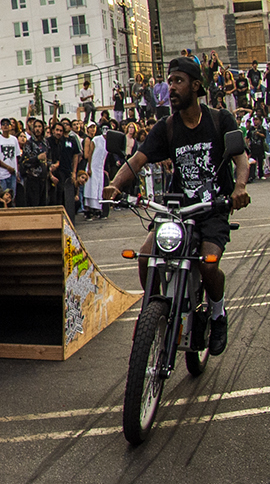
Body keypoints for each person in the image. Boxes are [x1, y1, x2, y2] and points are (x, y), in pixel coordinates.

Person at [103, 57, 248, 355]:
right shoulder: (166, 127)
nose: (171, 87)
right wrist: (116, 184)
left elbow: (241, 158)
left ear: (196, 85)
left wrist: (240, 188)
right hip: (177, 210)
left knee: (209, 266)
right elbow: (137, 160)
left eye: (178, 81)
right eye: (169, 82)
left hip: (212, 209)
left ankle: (218, 314)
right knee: (146, 256)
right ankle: (154, 313)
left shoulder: (220, 119)